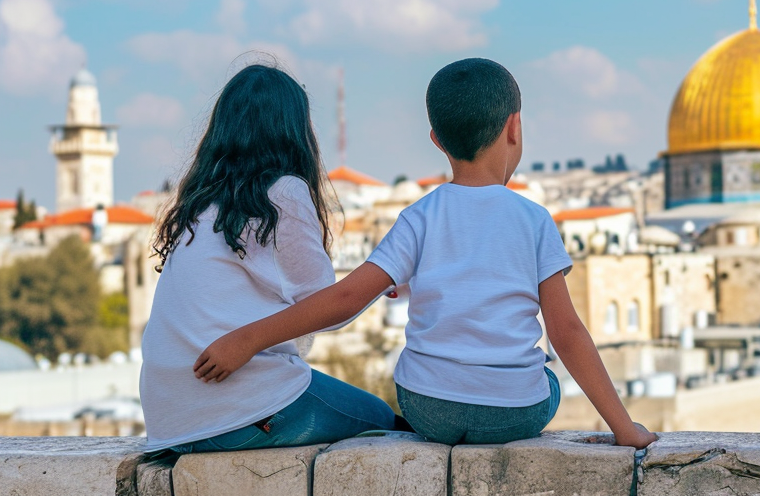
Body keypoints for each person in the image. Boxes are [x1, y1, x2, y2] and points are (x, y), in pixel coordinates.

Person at [194, 58, 658, 449]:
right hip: (513, 413)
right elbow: (567, 331)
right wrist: (624, 429)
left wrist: (247, 338)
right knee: (548, 380)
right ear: (514, 127)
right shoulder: (534, 220)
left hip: (428, 409)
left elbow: (345, 300)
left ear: (436, 139)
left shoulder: (418, 217)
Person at [141, 63, 396, 453]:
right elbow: (328, 305)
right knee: (380, 418)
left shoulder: (201, 203)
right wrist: (384, 277)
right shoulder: (282, 192)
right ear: (295, 130)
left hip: (173, 424)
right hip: (237, 412)